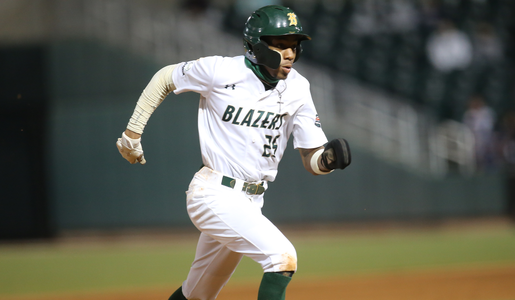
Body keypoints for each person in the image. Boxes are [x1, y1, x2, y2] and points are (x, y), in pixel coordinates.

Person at [116, 5, 351, 300]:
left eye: (294, 45)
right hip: (213, 193)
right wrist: (132, 133)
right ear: (256, 45)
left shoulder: (299, 88)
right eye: (281, 44)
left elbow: (311, 159)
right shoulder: (221, 71)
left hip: (251, 202)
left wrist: (327, 160)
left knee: (198, 294)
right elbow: (166, 77)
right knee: (282, 258)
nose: (290, 52)